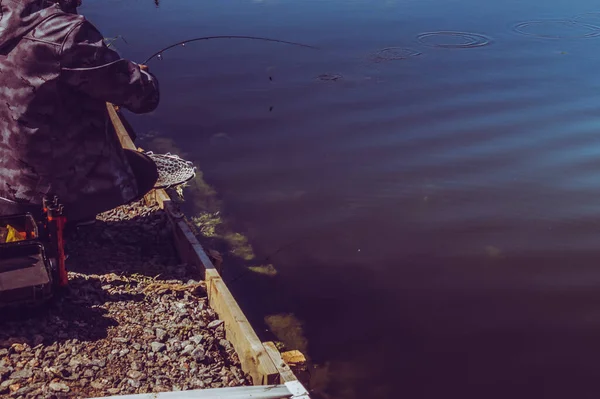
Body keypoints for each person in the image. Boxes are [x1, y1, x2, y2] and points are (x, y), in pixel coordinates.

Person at [0, 0, 160, 223]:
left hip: (3, 189)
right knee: (143, 171)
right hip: (36, 199)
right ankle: (66, 219)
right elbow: (144, 98)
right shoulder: (66, 33)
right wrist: (139, 74)